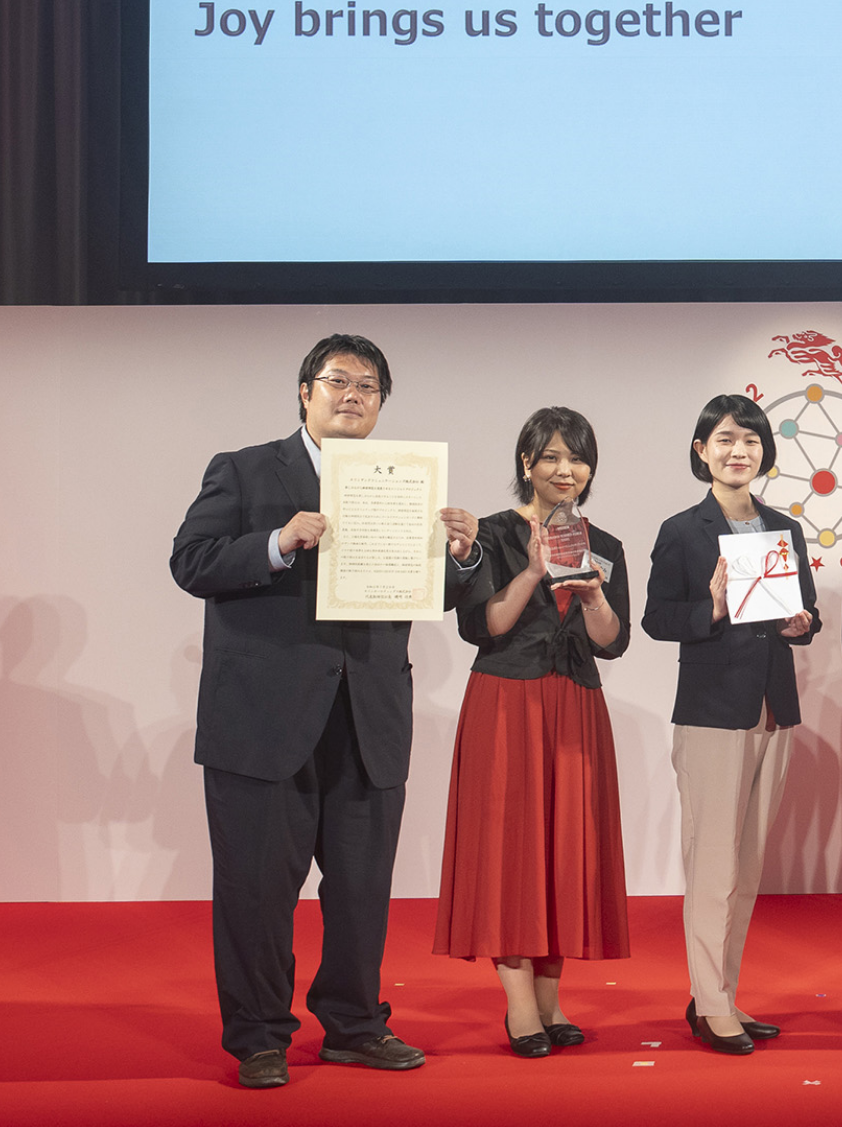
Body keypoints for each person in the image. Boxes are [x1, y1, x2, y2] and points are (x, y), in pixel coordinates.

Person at [169, 333, 486, 1089]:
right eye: (338, 380)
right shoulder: (244, 469)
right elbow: (190, 561)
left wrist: (461, 557)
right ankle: (259, 1037)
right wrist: (277, 542)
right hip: (262, 721)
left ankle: (354, 1025)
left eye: (368, 386)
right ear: (305, 392)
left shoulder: (401, 481)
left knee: (361, 889)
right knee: (256, 890)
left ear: (380, 405)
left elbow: (430, 594)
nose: (352, 395)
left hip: (368, 715)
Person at [432, 406, 633, 1058]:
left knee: (562, 851)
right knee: (509, 853)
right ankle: (520, 1007)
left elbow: (612, 641)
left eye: (577, 458)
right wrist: (530, 572)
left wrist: (595, 597)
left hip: (574, 704)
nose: (564, 469)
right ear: (527, 463)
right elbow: (485, 625)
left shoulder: (604, 545)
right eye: (551, 456)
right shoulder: (491, 533)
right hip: (506, 703)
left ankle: (550, 1003)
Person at [643, 394, 821, 1056]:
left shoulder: (783, 527)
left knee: (745, 870)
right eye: (724, 440)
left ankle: (721, 995)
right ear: (702, 451)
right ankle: (711, 1005)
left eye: (749, 440)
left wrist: (803, 623)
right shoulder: (682, 529)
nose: (737, 451)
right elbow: (657, 618)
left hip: (773, 710)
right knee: (713, 866)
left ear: (764, 451)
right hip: (714, 714)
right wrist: (712, 607)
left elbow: (803, 612)